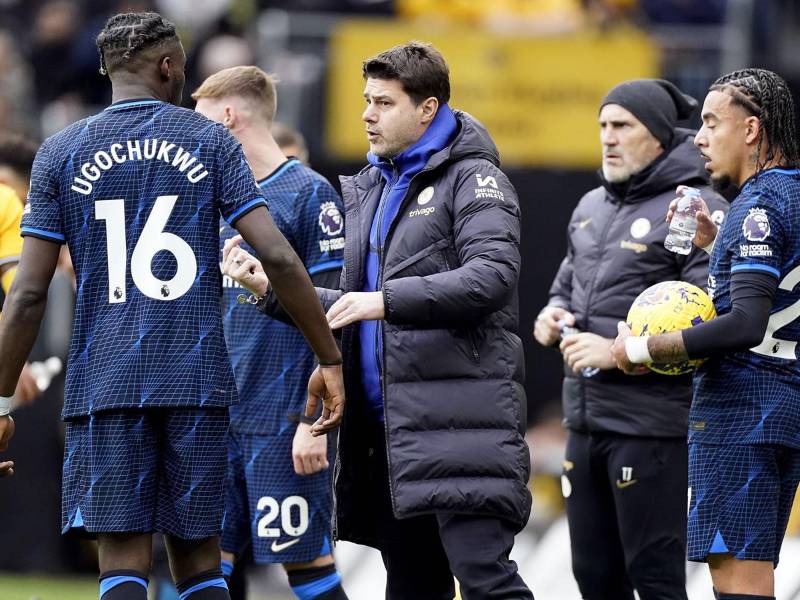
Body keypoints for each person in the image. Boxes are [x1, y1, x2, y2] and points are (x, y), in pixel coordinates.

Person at [0, 11, 345, 600]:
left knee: (125, 561)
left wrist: (2, 398)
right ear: (167, 66)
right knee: (199, 562)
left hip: (105, 384)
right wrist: (329, 357)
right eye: (183, 66)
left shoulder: (59, 152)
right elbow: (282, 261)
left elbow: (29, 293)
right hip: (198, 384)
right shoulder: (210, 140)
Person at [221, 41, 533, 599]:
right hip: (387, 435)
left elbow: (492, 277)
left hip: (459, 425)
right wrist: (269, 289)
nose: (367, 114)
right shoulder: (372, 186)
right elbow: (348, 303)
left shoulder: (475, 179)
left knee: (487, 582)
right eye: (367, 101)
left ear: (427, 108)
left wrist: (383, 300)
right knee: (411, 588)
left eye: (384, 103)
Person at [533, 79, 727, 600]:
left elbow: (707, 319)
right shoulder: (590, 205)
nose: (608, 138)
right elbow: (563, 289)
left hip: (651, 426)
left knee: (656, 582)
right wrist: (551, 317)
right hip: (584, 420)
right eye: (603, 126)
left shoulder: (693, 208)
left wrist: (616, 355)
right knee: (594, 579)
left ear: (660, 137)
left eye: (622, 126)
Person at [612, 68, 800, 600]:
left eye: (712, 122)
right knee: (753, 572)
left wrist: (640, 348)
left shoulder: (755, 206)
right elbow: (777, 285)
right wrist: (716, 242)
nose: (698, 136)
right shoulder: (790, 197)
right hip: (782, 404)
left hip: (740, 413)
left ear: (751, 130)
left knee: (737, 579)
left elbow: (745, 323)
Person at [192, 66, 348, 600]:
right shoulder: (213, 199)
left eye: (201, 120)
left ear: (228, 117)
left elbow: (334, 312)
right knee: (203, 566)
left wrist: (312, 423)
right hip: (217, 417)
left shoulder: (309, 195)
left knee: (304, 563)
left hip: (281, 418)